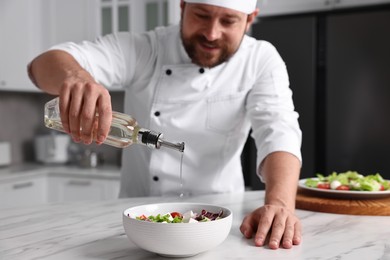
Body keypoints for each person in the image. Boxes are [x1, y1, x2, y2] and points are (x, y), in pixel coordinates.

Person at [28, 0, 302, 250]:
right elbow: (41, 65)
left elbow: (278, 130)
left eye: (228, 21)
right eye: (202, 15)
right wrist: (77, 78)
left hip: (222, 223)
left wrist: (279, 204)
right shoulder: (146, 49)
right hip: (138, 219)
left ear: (250, 19)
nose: (211, 33)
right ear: (182, 6)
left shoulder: (261, 60)